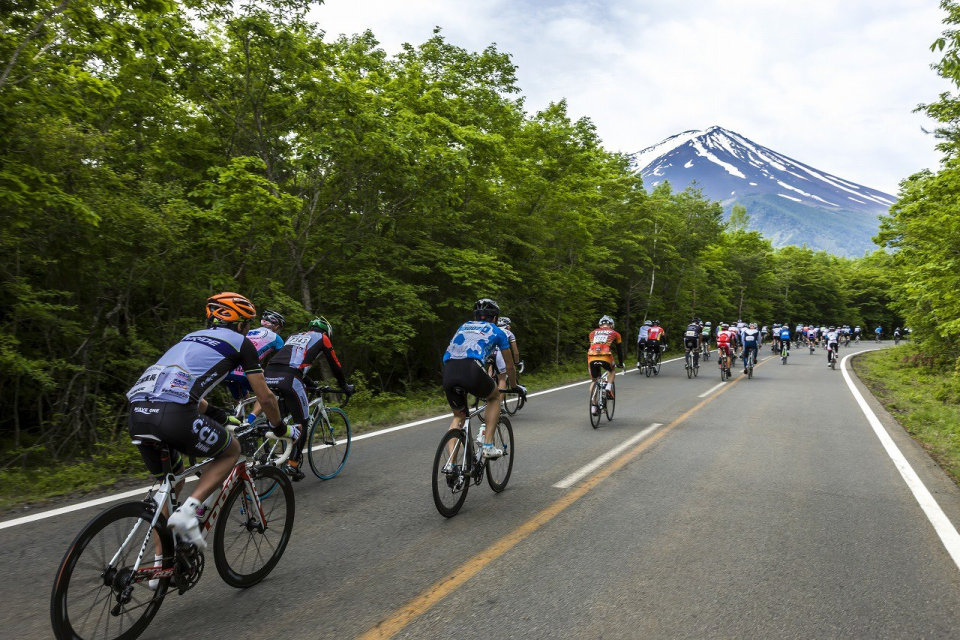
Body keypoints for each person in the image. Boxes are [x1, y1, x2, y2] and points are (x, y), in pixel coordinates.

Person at [127, 292, 286, 549]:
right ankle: (189, 511)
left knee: (171, 485)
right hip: (174, 414)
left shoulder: (188, 339)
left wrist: (218, 414)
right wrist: (279, 427)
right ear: (241, 324)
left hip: (137, 413)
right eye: (247, 324)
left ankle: (161, 566)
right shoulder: (240, 343)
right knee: (231, 450)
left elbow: (176, 386)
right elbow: (266, 398)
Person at [263, 315, 355, 480]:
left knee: (280, 418)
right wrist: (344, 386)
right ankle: (293, 465)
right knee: (302, 423)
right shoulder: (323, 338)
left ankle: (268, 451)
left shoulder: (294, 336)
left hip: (268, 375)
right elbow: (335, 364)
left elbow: (290, 360)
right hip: (290, 378)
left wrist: (309, 382)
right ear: (326, 331)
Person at [442, 299, 524, 458]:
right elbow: (509, 365)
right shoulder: (497, 331)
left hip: (448, 370)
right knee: (494, 399)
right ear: (495, 318)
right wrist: (513, 386)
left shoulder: (463, 327)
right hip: (471, 368)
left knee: (458, 416)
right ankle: (487, 446)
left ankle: (451, 466)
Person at [223, 309, 286, 401]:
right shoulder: (276, 337)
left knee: (244, 399)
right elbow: (285, 358)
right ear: (276, 327)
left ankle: (239, 415)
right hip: (246, 372)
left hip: (228, 370)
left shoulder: (248, 332)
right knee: (270, 394)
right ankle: (252, 416)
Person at [588, 315, 625, 413]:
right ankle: (608, 386)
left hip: (591, 357)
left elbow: (594, 346)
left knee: (594, 380)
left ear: (600, 324)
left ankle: (593, 407)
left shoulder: (592, 333)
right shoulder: (615, 333)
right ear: (612, 325)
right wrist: (621, 363)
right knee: (611, 370)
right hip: (606, 357)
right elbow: (619, 350)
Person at [493, 316, 522, 391]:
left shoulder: (492, 330)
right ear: (507, 325)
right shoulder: (509, 333)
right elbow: (515, 352)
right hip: (499, 354)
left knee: (490, 371)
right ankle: (499, 402)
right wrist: (516, 362)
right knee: (502, 379)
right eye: (509, 325)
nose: (510, 327)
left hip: (489, 353)